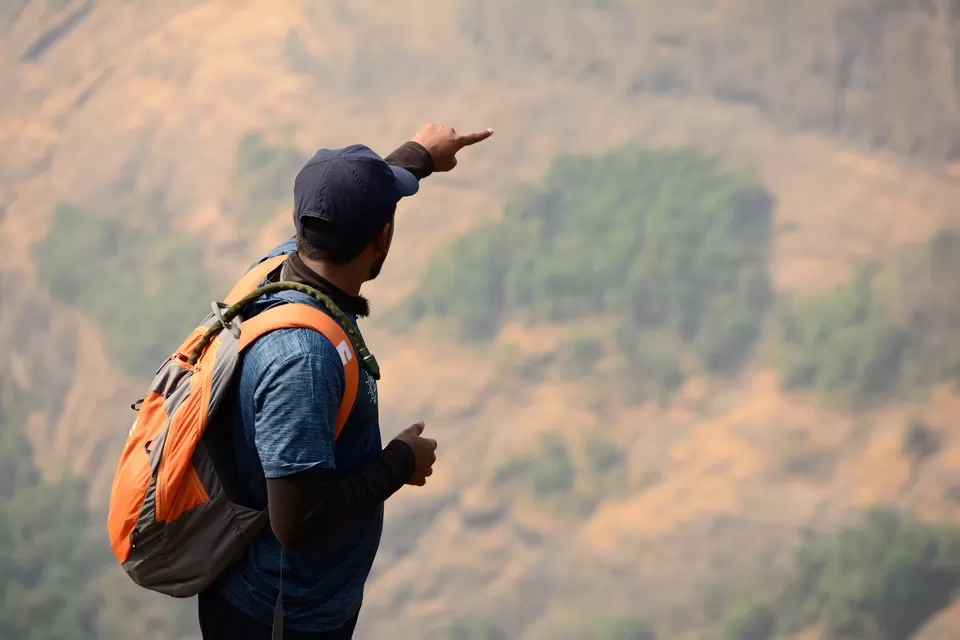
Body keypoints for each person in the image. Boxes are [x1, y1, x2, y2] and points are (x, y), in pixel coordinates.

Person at [196, 123, 494, 639]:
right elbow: (298, 522)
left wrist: (420, 156)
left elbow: (346, 201)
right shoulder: (304, 361)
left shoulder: (280, 265)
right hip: (282, 619)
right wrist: (401, 462)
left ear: (301, 220)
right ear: (382, 237)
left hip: (276, 602)